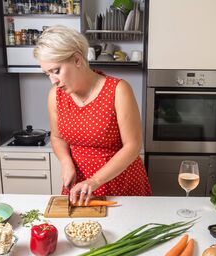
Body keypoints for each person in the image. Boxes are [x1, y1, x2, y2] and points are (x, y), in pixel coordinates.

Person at [34, 26, 152, 205]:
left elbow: (133, 146)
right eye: (47, 74)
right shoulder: (55, 96)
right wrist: (66, 162)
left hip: (121, 183)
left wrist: (95, 180)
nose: (53, 80)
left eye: (56, 71)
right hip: (78, 186)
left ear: (77, 59)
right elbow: (57, 138)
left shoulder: (118, 90)